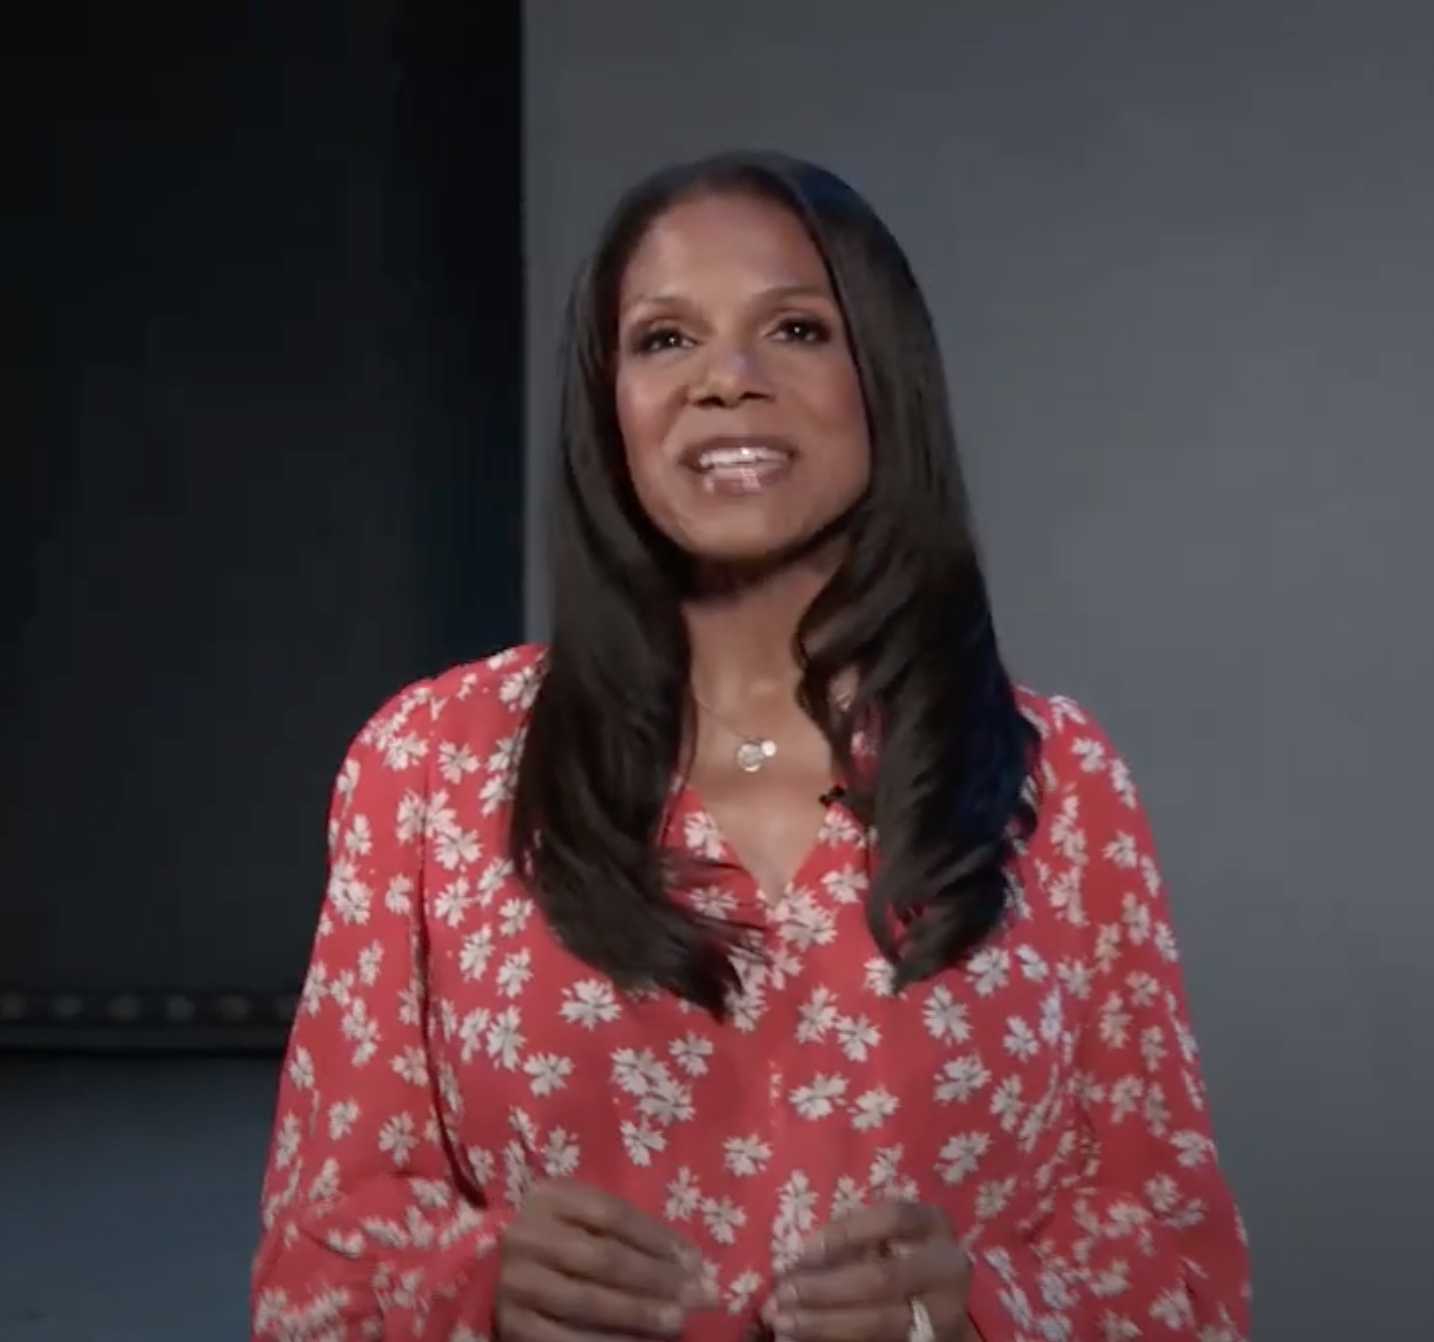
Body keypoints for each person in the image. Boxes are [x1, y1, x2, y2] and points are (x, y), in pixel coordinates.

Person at [250, 151, 1250, 1342]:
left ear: (883, 379)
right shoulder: (429, 765)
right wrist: (479, 1287)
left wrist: (977, 1309)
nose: (726, 381)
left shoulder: (1060, 780)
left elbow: (1178, 1271)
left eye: (795, 329)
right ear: (610, 408)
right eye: (665, 339)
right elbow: (315, 1269)